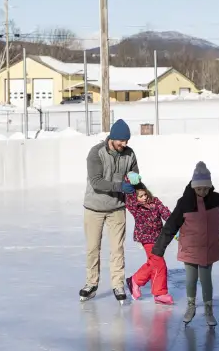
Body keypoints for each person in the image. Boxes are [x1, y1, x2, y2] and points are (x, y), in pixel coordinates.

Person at [151, 161, 219, 326]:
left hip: (208, 248)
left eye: (206, 188)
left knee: (206, 280)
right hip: (190, 249)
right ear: (193, 186)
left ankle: (208, 310)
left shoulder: (214, 199)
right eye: (199, 188)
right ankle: (191, 306)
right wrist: (159, 248)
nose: (203, 192)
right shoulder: (185, 202)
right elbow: (171, 225)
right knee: (191, 279)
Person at [79, 119, 139, 304]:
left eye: (127, 141)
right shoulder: (96, 153)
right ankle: (91, 284)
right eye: (122, 140)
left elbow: (134, 175)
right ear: (113, 138)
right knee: (93, 248)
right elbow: (96, 181)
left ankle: (118, 284)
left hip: (117, 208)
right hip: (94, 208)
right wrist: (120, 186)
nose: (125, 144)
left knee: (117, 249)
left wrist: (135, 182)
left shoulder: (129, 154)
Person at [120, 172, 174, 305]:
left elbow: (166, 213)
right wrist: (129, 181)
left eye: (145, 195)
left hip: (159, 237)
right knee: (159, 263)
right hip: (146, 238)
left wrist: (175, 226)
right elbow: (129, 194)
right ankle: (160, 293)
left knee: (153, 263)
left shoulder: (155, 201)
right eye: (140, 196)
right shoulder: (135, 206)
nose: (144, 198)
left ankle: (134, 280)